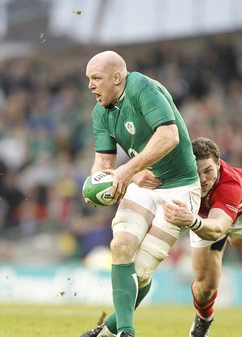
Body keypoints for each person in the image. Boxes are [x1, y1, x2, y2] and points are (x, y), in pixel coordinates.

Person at [79, 50, 201, 337]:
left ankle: (107, 331)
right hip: (143, 187)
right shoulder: (100, 112)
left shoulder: (143, 88)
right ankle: (126, 333)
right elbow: (105, 163)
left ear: (117, 77)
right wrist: (100, 183)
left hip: (180, 188)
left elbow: (169, 136)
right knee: (120, 246)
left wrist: (128, 170)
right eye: (89, 79)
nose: (90, 86)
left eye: (96, 78)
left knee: (142, 272)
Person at [163, 137, 242, 337]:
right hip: (206, 218)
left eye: (208, 170)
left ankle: (221, 239)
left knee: (239, 241)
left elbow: (218, 227)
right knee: (205, 287)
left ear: (218, 164)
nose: (202, 179)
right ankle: (204, 320)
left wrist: (192, 221)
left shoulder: (231, 186)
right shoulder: (180, 177)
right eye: (197, 171)